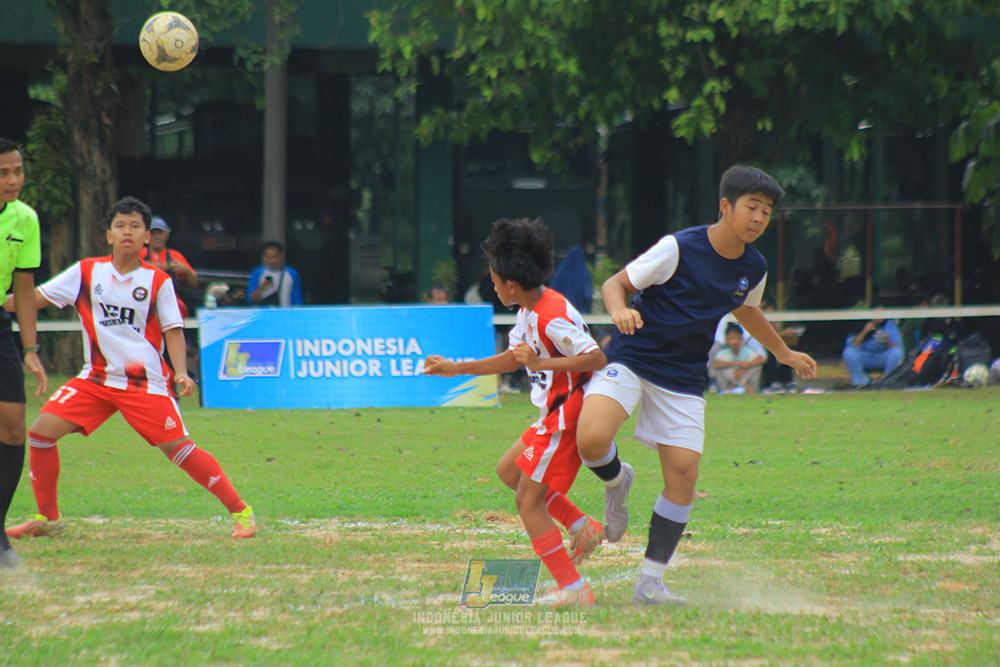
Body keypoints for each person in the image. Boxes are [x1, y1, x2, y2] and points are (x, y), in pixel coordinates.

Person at [574, 166, 817, 605]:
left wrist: (783, 353)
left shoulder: (753, 266)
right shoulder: (679, 247)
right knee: (590, 440)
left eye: (766, 212)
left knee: (683, 476)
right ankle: (616, 482)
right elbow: (616, 284)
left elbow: (747, 311)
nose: (759, 218)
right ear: (726, 206)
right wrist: (618, 310)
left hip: (683, 376)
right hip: (634, 355)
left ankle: (650, 583)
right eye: (752, 207)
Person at [4, 197, 255, 543]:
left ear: (146, 237)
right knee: (40, 433)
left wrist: (181, 371)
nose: (127, 232)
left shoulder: (157, 281)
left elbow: (173, 330)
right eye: (120, 226)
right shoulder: (87, 272)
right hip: (96, 377)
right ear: (108, 234)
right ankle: (48, 519)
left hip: (144, 384)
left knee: (179, 449)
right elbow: (32, 299)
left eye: (135, 227)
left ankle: (241, 511)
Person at [423, 218, 608, 607]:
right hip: (550, 416)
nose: (492, 286)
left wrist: (542, 363)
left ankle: (573, 588)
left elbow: (595, 357)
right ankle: (581, 526)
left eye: (492, 280)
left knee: (527, 502)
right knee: (509, 471)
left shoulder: (549, 313)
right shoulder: (528, 310)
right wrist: (456, 368)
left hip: (565, 417)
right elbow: (512, 359)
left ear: (509, 284)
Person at [0, 138, 48, 568]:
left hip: (0, 325)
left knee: (14, 426)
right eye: (3, 173)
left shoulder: (25, 219)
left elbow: (25, 287)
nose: (13, 181)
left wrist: (29, 348)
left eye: (18, 171)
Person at [141, 216, 199, 317]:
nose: (157, 237)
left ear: (167, 235)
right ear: (147, 235)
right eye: (153, 233)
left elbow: (194, 284)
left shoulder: (175, 256)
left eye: (160, 233)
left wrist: (186, 271)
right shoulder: (138, 254)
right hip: (144, 302)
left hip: (171, 304)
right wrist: (148, 267)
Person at [842, 316, 904, 387]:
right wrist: (865, 331)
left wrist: (886, 342)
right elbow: (853, 345)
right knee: (849, 352)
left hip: (882, 357)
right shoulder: (861, 323)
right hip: (865, 357)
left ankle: (887, 381)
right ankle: (858, 383)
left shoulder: (889, 324)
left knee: (896, 353)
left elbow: (897, 345)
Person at [711, 323, 765, 394]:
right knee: (722, 369)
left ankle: (752, 389)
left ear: (742, 339)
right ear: (727, 340)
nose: (735, 342)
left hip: (744, 374)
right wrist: (738, 363)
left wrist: (743, 367)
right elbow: (716, 364)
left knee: (756, 366)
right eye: (732, 338)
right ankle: (729, 389)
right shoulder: (723, 353)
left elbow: (762, 359)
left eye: (738, 338)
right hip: (731, 379)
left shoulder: (747, 351)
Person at [247, 241, 303, 307]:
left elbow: (297, 300)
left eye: (275, 257)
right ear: (264, 257)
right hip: (263, 315)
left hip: (285, 314)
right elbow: (251, 300)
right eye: (269, 258)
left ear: (282, 255)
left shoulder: (292, 274)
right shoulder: (257, 273)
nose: (272, 260)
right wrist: (261, 288)